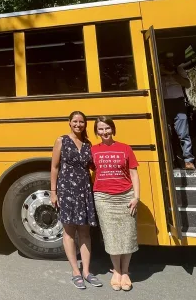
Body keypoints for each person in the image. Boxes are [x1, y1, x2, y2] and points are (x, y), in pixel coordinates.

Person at [50, 110, 101, 290]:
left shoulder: (88, 143)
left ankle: (87, 271)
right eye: (75, 121)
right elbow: (55, 167)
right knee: (69, 231)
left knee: (85, 232)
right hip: (67, 189)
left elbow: (93, 166)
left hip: (84, 189)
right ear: (69, 123)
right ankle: (75, 271)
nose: (78, 124)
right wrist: (54, 192)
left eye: (81, 122)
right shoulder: (61, 141)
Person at [92, 116, 140, 292]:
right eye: (101, 129)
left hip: (126, 196)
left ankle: (126, 271)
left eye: (107, 128)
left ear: (113, 129)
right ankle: (117, 271)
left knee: (127, 235)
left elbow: (134, 174)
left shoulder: (125, 148)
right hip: (103, 198)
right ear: (96, 132)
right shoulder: (93, 150)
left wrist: (136, 197)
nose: (104, 132)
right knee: (111, 235)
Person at [160, 54, 195, 170]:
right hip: (162, 103)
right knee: (165, 133)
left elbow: (187, 84)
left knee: (183, 133)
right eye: (166, 60)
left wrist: (172, 74)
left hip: (178, 103)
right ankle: (169, 161)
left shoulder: (178, 70)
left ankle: (188, 161)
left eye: (170, 60)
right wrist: (161, 71)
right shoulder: (156, 69)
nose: (168, 62)